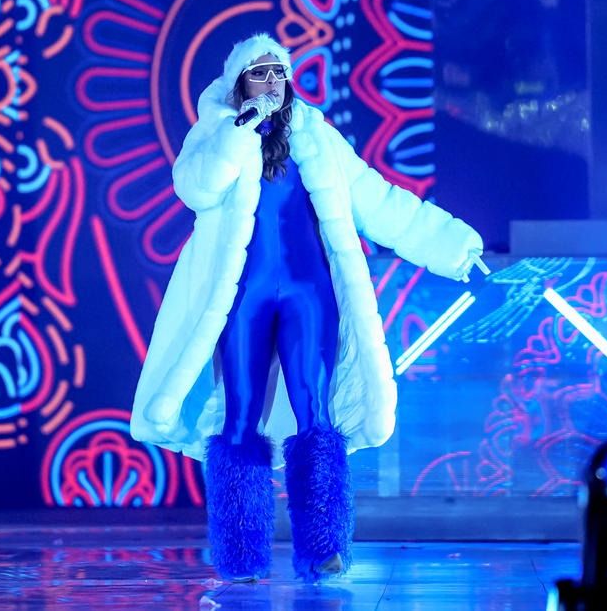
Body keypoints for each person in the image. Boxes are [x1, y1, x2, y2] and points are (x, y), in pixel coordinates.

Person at [130, 33, 484, 582]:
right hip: (241, 299)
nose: (272, 81)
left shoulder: (317, 136)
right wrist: (239, 132)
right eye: (260, 73)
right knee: (240, 415)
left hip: (309, 295)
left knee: (315, 411)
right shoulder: (218, 132)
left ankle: (324, 548)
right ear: (239, 83)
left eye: (279, 72)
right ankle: (240, 554)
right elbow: (196, 188)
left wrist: (456, 249)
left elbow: (380, 201)